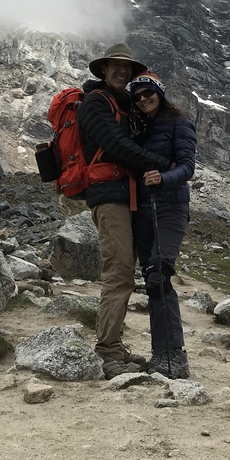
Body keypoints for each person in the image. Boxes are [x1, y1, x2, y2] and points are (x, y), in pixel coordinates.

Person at [77, 43, 171, 379]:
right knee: (118, 272)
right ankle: (107, 350)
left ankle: (114, 345)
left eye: (126, 67)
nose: (121, 71)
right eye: (115, 66)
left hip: (128, 196)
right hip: (110, 198)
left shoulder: (126, 104)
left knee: (125, 272)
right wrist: (165, 163)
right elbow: (117, 146)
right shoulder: (94, 104)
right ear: (103, 70)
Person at [127, 72, 197, 379]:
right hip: (142, 210)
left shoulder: (179, 123)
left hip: (170, 206)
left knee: (158, 272)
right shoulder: (138, 127)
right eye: (138, 95)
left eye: (148, 92)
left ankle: (175, 356)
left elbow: (187, 166)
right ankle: (162, 353)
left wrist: (163, 178)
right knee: (153, 278)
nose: (143, 98)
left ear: (160, 93)